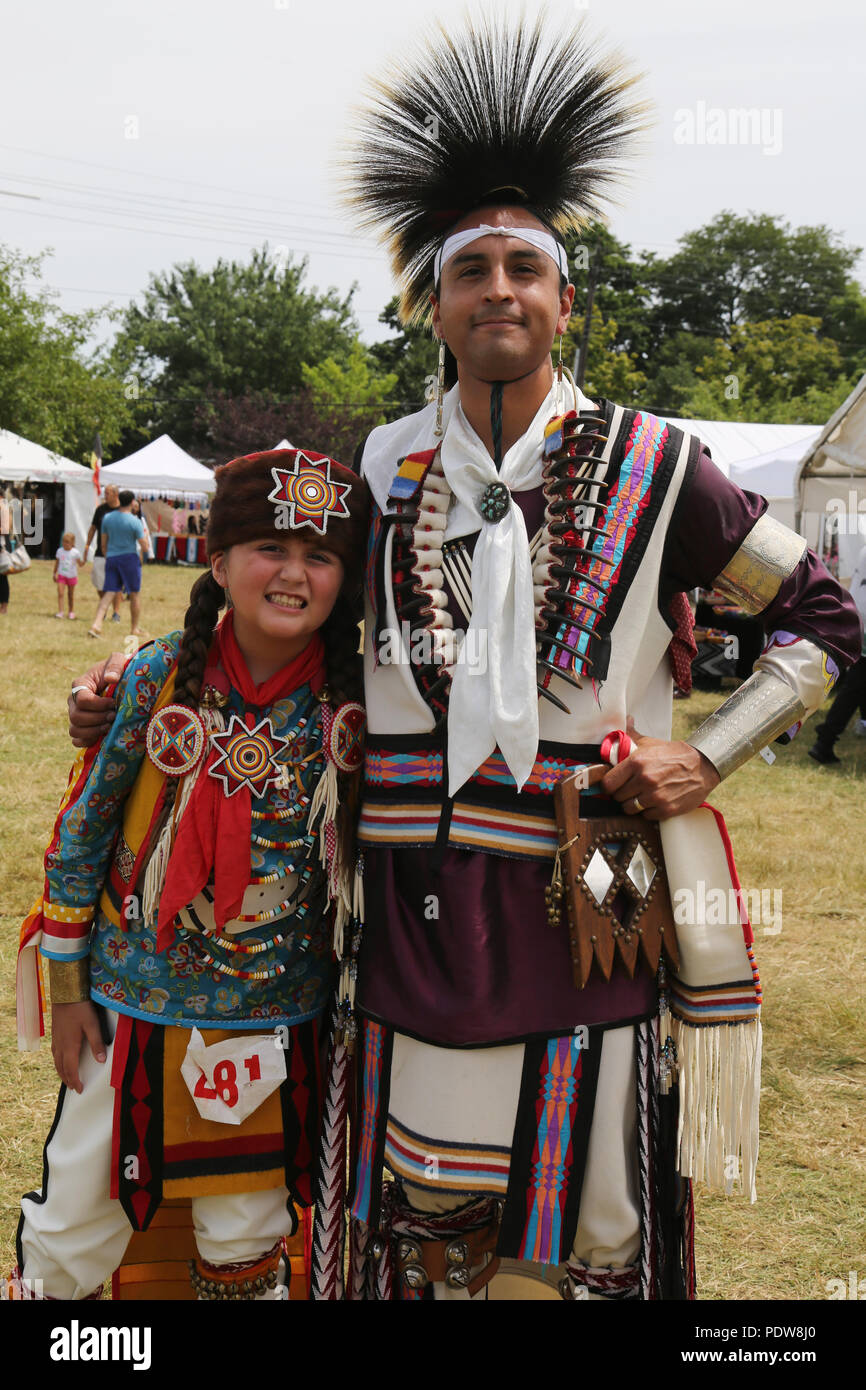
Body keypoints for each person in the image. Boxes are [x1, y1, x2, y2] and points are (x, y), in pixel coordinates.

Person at [65, 14, 861, 1303]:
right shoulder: (380, 465)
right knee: (420, 1213)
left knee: (582, 1205)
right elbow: (287, 607)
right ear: (433, 304)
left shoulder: (659, 465)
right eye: (470, 268)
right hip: (403, 874)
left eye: (523, 268)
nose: (499, 289)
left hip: (590, 863)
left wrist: (703, 750)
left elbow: (828, 618)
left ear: (562, 299)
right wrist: (138, 687)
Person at [13, 448, 369, 1301]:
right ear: (219, 563)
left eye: (319, 556)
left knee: (245, 1237)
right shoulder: (155, 678)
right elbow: (82, 836)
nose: (293, 574)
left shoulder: (357, 708)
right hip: (126, 1014)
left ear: (344, 579)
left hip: (272, 1024)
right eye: (269, 550)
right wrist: (66, 995)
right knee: (69, 1229)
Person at [809, 543, 866, 763]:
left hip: (859, 617)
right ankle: (825, 738)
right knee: (856, 684)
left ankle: (826, 739)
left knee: (857, 684)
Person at [88, 489, 147, 638]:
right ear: (132, 502)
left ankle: (96, 624)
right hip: (129, 558)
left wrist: (109, 555)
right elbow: (144, 546)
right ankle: (134, 628)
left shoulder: (107, 518)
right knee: (134, 594)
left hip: (112, 558)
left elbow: (103, 543)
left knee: (109, 592)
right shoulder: (135, 521)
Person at [85, 484, 122, 623]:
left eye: (107, 493)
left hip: (118, 553)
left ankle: (116, 613)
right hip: (101, 552)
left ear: (115, 494)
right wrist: (87, 546)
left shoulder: (122, 510)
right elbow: (93, 528)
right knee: (99, 583)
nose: (104, 495)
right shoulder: (101, 510)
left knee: (117, 584)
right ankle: (104, 606)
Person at [52, 532, 87, 619]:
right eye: (63, 542)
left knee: (70, 595)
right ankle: (60, 612)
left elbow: (80, 564)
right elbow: (57, 563)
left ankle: (71, 611)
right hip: (62, 575)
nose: (65, 544)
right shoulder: (59, 551)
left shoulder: (75, 553)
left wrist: (84, 560)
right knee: (60, 593)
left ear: (72, 543)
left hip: (71, 576)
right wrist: (54, 573)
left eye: (67, 542)